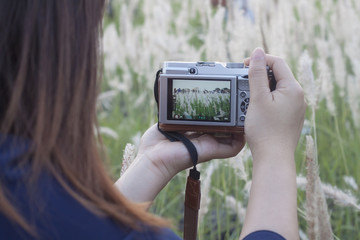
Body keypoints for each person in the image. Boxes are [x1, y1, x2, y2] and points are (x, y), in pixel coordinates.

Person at [0, 1, 306, 240]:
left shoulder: (25, 198)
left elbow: (78, 227)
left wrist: (152, 163)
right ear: (61, 51)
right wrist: (275, 152)